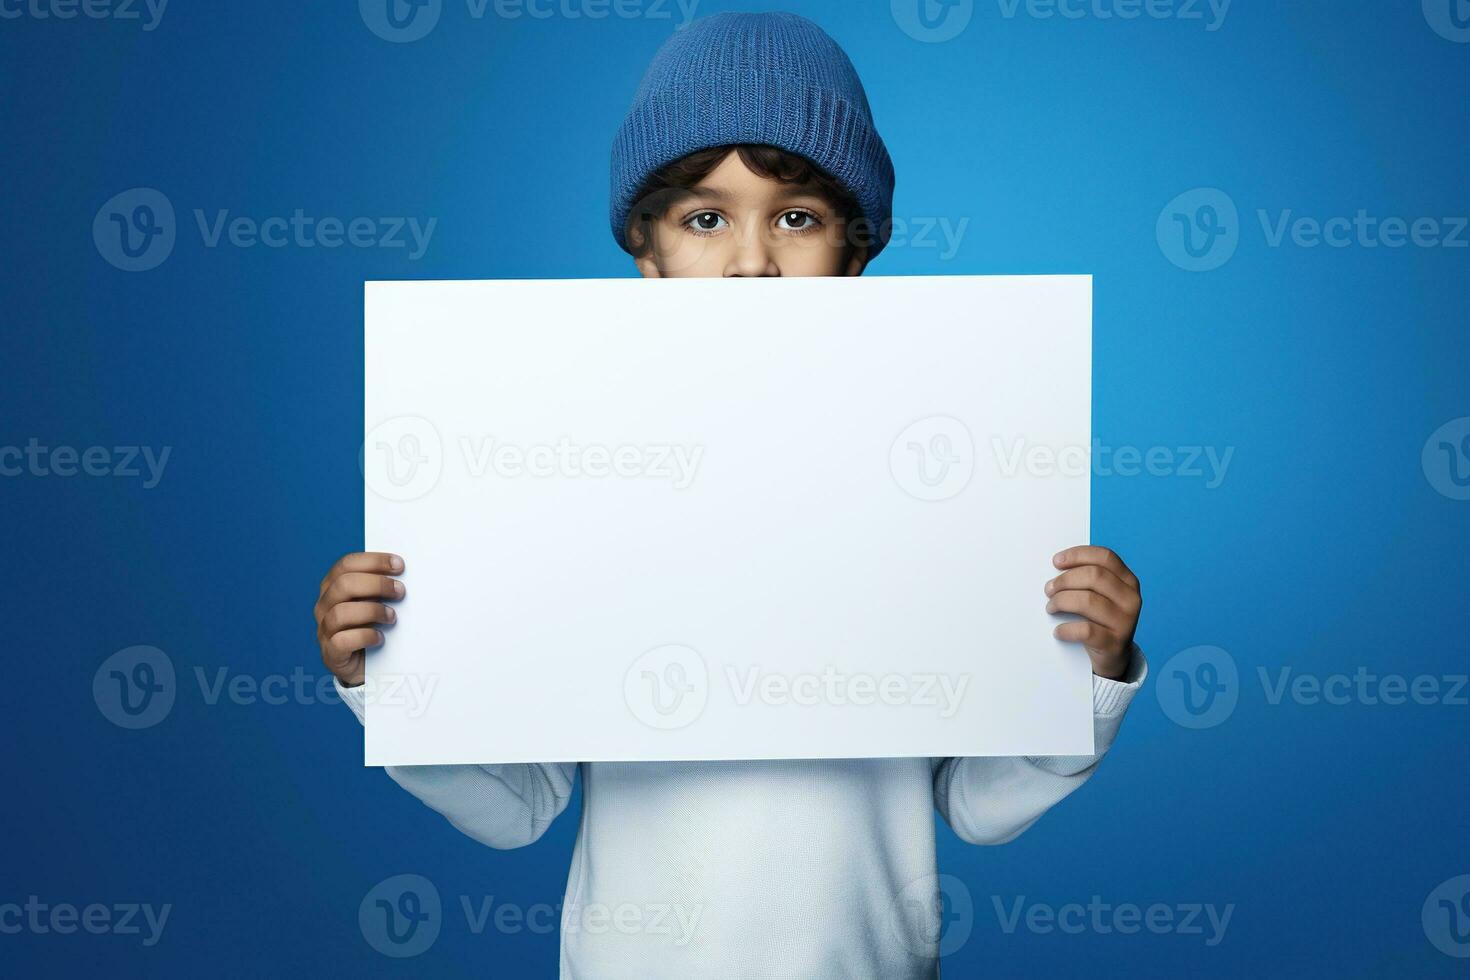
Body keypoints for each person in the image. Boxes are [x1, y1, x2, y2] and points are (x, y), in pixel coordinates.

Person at [315, 12, 1147, 978]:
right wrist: (392, 682)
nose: (751, 260)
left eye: (796, 216)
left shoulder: (943, 485)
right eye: (705, 219)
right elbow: (519, 807)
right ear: (649, 254)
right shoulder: (573, 489)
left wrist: (1090, 671)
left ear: (856, 248)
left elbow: (978, 803)